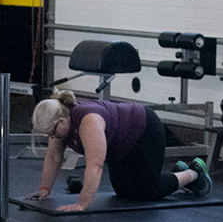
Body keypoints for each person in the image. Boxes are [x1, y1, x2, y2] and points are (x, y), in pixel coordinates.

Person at [26, 89, 210, 212]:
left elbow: (96, 165)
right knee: (124, 192)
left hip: (144, 131)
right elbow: (54, 157)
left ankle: (194, 173)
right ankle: (177, 175)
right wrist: (45, 189)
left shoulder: (88, 121)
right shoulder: (59, 125)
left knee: (147, 191)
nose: (52, 136)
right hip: (119, 145)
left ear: (62, 121)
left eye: (52, 131)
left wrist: (81, 204)